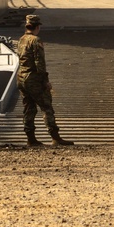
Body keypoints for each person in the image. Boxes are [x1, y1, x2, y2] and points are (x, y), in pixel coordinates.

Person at [16, 14, 73, 147]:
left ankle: (31, 138)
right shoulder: (36, 40)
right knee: (46, 107)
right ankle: (55, 137)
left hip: (21, 77)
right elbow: (39, 63)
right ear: (37, 27)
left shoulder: (21, 39)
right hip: (33, 78)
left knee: (29, 108)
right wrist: (45, 81)